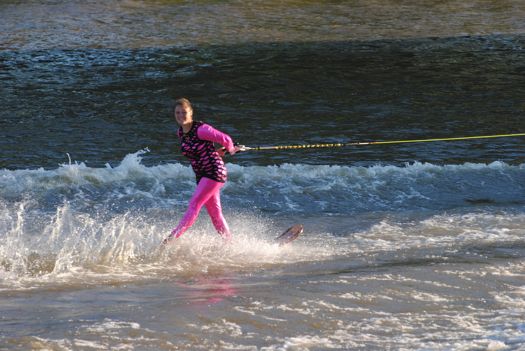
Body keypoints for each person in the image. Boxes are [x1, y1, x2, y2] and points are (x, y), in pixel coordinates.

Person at [163, 98, 242, 244]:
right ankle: (230, 244)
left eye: (184, 112)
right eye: (177, 112)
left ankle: (170, 240)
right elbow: (200, 151)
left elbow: (225, 138)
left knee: (194, 204)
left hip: (214, 172)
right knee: (215, 213)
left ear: (191, 113)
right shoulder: (181, 132)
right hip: (202, 175)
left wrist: (230, 149)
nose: (180, 115)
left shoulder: (201, 129)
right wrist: (217, 152)